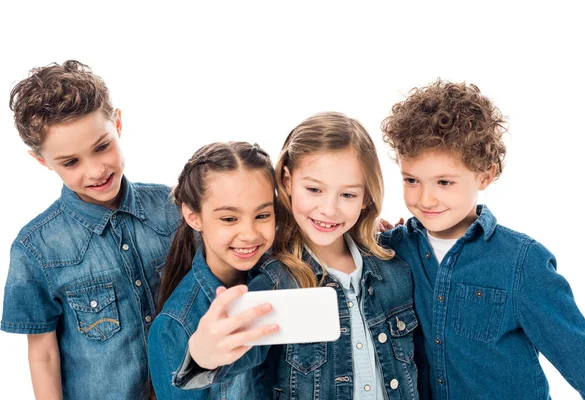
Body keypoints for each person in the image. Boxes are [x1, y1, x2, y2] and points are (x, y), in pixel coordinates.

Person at [380, 79, 585, 399]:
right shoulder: (392, 250)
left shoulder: (522, 263)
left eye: (444, 182)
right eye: (412, 180)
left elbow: (583, 359)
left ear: (486, 175)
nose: (426, 199)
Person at [176, 112, 419, 400]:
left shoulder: (394, 269)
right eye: (314, 189)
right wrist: (203, 355)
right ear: (288, 182)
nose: (329, 209)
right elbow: (234, 359)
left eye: (348, 195)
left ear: (367, 196)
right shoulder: (275, 281)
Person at [0, 60, 180, 399]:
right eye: (71, 162)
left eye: (102, 147)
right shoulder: (34, 248)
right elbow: (43, 354)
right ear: (42, 161)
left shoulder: (174, 208)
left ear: (118, 124)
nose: (96, 170)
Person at [148, 142, 278, 399]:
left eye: (262, 215)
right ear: (193, 217)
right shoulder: (174, 328)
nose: (250, 234)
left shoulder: (286, 275)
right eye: (229, 219)